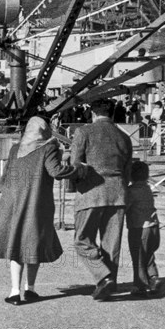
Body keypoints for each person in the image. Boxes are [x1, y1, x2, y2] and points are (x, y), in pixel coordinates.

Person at [0, 117, 86, 305]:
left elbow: (4, 177)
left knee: (16, 245)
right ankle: (30, 289)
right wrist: (79, 170)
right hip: (36, 203)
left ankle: (14, 292)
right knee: (33, 243)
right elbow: (55, 171)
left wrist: (10, 193)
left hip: (13, 202)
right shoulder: (48, 148)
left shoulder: (16, 148)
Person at [71, 98, 133, 301]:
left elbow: (75, 165)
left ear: (93, 114)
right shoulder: (124, 137)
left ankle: (102, 276)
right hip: (118, 193)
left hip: (91, 192)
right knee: (111, 243)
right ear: (112, 114)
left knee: (82, 240)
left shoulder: (83, 132)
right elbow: (128, 171)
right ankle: (109, 283)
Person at [126, 161, 162, 297]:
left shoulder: (131, 191)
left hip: (139, 228)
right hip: (154, 227)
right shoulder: (147, 189)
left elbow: (126, 207)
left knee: (138, 257)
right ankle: (153, 278)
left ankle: (139, 285)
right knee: (148, 256)